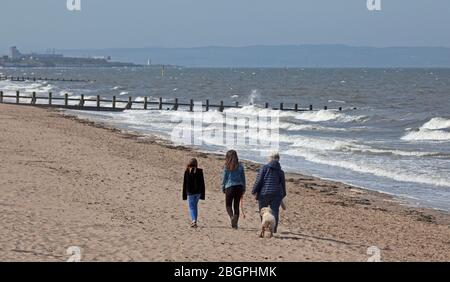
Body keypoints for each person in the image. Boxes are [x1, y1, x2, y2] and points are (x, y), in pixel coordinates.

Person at [252, 153, 286, 233]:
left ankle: (264, 226)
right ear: (278, 159)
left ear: (270, 158)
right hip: (276, 194)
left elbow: (259, 180)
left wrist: (254, 190)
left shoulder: (264, 168)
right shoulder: (281, 171)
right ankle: (273, 229)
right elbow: (283, 184)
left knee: (263, 211)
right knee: (275, 211)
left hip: (264, 193)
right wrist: (283, 194)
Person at [221, 150, 246, 229]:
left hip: (229, 187)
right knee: (236, 206)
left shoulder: (226, 166)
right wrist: (244, 188)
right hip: (239, 187)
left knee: (228, 205)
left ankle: (232, 218)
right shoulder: (240, 166)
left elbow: (224, 179)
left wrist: (223, 187)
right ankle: (235, 225)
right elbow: (243, 178)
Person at [182, 158, 205, 228]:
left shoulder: (187, 171)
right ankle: (194, 220)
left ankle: (194, 221)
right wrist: (202, 194)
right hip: (198, 192)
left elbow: (184, 184)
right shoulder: (200, 171)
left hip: (190, 192)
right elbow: (202, 183)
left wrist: (184, 195)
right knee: (194, 206)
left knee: (192, 207)